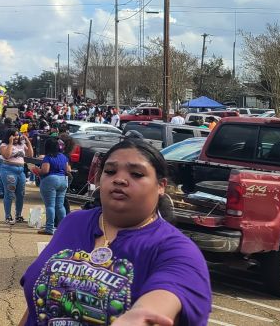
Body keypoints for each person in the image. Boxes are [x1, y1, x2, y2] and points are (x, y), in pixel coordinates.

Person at [19, 138, 212, 326]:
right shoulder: (73, 222)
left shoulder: (176, 249)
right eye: (110, 171)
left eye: (136, 174)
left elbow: (167, 296)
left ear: (161, 186)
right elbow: (34, 307)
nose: (119, 179)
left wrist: (142, 315)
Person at [28, 139, 70, 235]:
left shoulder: (48, 157)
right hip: (63, 180)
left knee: (50, 206)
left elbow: (45, 171)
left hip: (50, 180)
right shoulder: (63, 157)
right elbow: (67, 169)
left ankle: (49, 228)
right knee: (60, 205)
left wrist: (36, 170)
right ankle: (63, 228)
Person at [0, 130, 30, 224]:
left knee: (21, 194)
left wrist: (28, 142)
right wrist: (11, 143)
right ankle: (8, 216)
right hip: (9, 170)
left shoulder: (21, 145)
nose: (16, 137)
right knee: (9, 194)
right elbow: (7, 155)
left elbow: (30, 154)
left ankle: (18, 215)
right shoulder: (4, 145)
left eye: (17, 135)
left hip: (21, 171)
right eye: (14, 135)